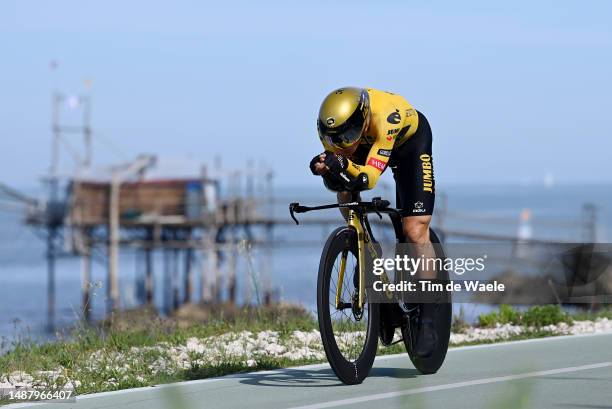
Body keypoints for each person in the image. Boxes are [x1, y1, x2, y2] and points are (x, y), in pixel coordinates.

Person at [309, 87, 437, 357]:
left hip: (408, 145)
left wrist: (342, 165)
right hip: (368, 144)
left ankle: (427, 316)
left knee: (414, 231)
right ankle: (366, 251)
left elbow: (369, 177)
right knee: (345, 194)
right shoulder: (336, 131)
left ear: (363, 119)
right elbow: (341, 172)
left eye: (347, 136)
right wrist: (329, 167)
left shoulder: (385, 117)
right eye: (335, 138)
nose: (343, 142)